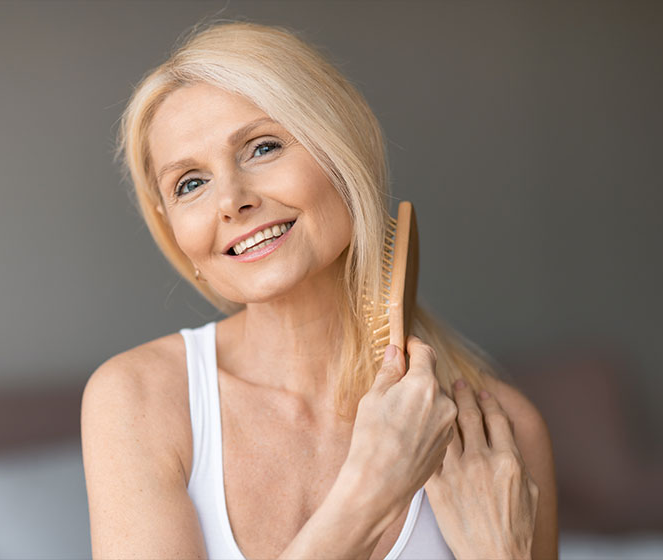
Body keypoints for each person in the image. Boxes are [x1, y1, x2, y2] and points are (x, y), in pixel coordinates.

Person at [81, 20, 557, 560]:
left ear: (341, 151)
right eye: (191, 183)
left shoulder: (501, 433)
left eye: (262, 147)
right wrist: (369, 493)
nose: (231, 201)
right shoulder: (140, 399)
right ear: (174, 230)